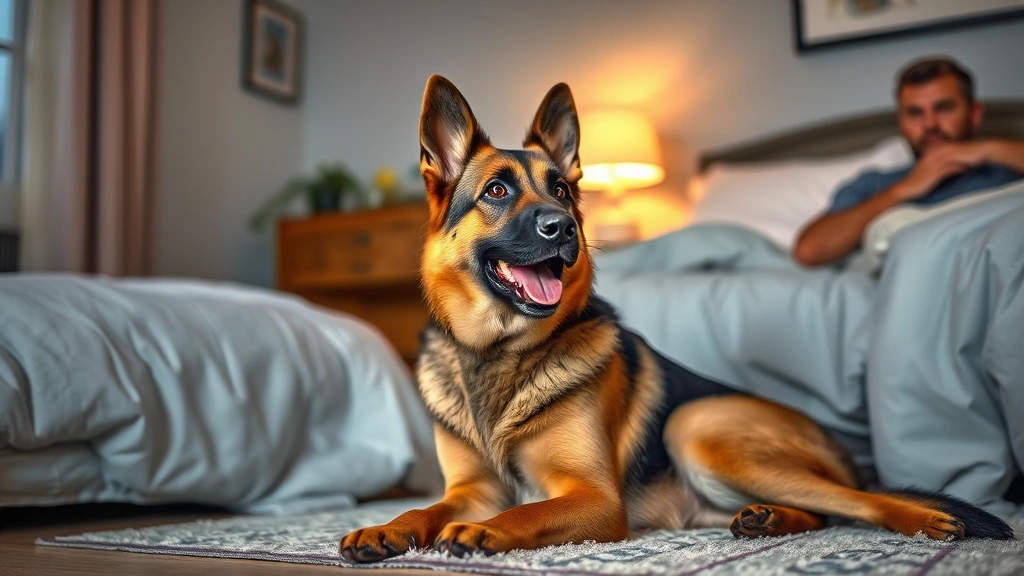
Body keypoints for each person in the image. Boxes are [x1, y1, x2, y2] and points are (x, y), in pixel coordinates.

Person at [794, 57, 1024, 267]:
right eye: (915, 113)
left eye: (944, 108)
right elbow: (809, 250)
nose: (930, 124)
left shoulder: (1006, 168)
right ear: (901, 123)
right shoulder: (875, 184)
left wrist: (989, 150)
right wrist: (901, 192)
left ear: (974, 114)